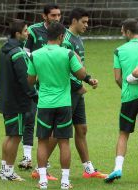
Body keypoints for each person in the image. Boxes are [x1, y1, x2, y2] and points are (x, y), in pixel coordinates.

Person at [27, 22, 89, 189]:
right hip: (64, 103)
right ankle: (65, 181)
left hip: (45, 103)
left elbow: (30, 80)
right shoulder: (67, 53)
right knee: (64, 142)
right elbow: (81, 74)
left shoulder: (35, 55)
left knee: (42, 141)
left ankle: (42, 180)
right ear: (61, 36)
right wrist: (77, 59)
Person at [104, 18, 138, 185]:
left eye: (122, 32)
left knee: (123, 134)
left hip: (128, 98)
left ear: (128, 32)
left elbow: (117, 78)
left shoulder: (119, 51)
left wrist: (126, 90)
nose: (122, 34)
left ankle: (117, 168)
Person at [62, 7, 106, 179]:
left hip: (78, 89)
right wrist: (77, 85)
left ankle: (88, 169)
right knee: (60, 130)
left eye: (88, 22)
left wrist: (87, 79)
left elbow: (78, 66)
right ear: (74, 21)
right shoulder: (65, 39)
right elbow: (64, 68)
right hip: (69, 90)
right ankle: (41, 168)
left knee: (82, 128)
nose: (87, 25)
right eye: (84, 22)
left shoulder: (78, 38)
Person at [21, 3, 61, 181]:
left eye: (58, 15)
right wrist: (37, 64)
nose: (57, 18)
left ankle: (42, 163)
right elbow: (25, 51)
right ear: (44, 16)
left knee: (50, 125)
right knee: (30, 117)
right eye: (53, 15)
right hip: (34, 79)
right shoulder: (34, 30)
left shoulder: (61, 31)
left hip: (52, 83)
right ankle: (27, 156)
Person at [0, 19, 37, 181]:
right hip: (17, 102)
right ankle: (9, 172)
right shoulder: (18, 53)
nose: (28, 34)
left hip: (6, 100)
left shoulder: (4, 50)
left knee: (10, 135)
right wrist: (35, 95)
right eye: (26, 31)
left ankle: (3, 169)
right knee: (15, 136)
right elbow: (25, 79)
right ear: (17, 33)